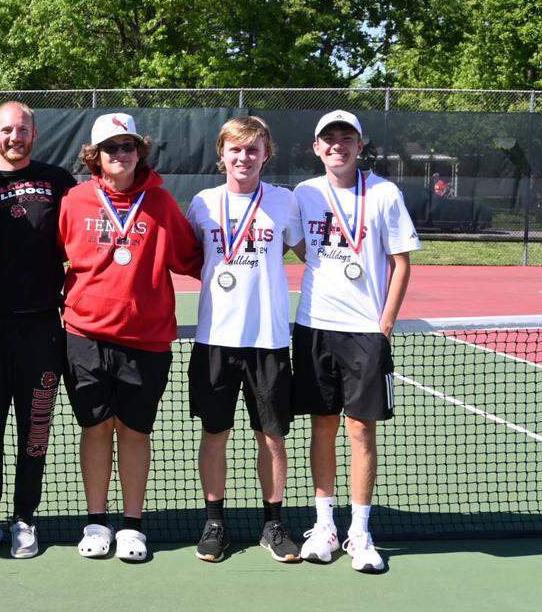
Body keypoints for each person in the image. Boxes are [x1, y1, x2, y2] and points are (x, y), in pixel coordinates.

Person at [58, 113, 202, 562]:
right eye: (110, 148)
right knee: (96, 427)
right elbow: (49, 259)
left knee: (135, 431)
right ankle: (97, 521)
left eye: (127, 146)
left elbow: (194, 259)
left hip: (147, 340)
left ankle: (133, 526)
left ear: (139, 152)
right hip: (84, 335)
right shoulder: (75, 202)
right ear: (95, 157)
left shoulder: (160, 204)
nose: (119, 155)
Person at [293, 110, 420, 573]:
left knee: (361, 430)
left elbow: (402, 262)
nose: (337, 145)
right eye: (329, 139)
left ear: (359, 146)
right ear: (316, 147)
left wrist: (384, 325)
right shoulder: (305, 193)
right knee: (321, 426)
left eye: (346, 138)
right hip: (314, 328)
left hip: (366, 332)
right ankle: (324, 525)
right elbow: (298, 243)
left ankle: (360, 532)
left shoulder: (385, 193)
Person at [0, 101, 75, 560]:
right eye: (6, 130)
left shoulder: (58, 181)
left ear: (34, 133)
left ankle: (25, 518)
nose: (15, 137)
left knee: (35, 431)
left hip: (43, 329)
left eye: (22, 129)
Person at [185, 117, 303, 563]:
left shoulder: (285, 202)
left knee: (272, 438)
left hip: (268, 342)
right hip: (215, 340)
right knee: (215, 433)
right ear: (222, 155)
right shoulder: (202, 204)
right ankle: (214, 521)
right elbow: (185, 253)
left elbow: (307, 253)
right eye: (235, 150)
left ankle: (273, 523)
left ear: (265, 154)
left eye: (253, 150)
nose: (244, 157)